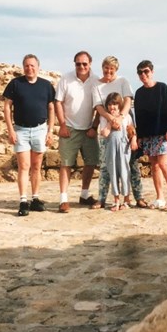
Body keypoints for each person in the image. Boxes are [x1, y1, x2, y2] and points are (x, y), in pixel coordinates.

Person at [3, 54, 55, 216]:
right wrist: (10, 130)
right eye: (26, 65)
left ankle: (36, 198)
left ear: (38, 67)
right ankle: (23, 201)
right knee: (24, 167)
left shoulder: (46, 86)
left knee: (36, 167)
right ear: (23, 67)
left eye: (32, 65)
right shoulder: (15, 84)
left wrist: (50, 131)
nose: (29, 68)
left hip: (40, 129)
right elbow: (6, 107)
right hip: (21, 131)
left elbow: (51, 108)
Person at [91, 56, 146, 209]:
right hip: (107, 130)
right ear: (102, 67)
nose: (108, 71)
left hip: (124, 129)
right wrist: (111, 119)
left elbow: (128, 101)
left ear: (116, 70)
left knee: (131, 166)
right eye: (106, 68)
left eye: (112, 69)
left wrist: (120, 118)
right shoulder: (96, 85)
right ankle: (102, 198)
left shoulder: (123, 82)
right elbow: (99, 107)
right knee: (104, 166)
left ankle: (138, 197)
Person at [54, 50, 100, 213]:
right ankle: (63, 200)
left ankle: (84, 195)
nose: (81, 66)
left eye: (84, 63)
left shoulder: (96, 81)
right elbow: (58, 102)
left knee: (91, 162)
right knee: (66, 164)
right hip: (70, 129)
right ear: (74, 64)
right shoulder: (66, 79)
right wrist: (63, 125)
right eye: (78, 63)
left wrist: (94, 127)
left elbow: (99, 107)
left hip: (88, 129)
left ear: (90, 64)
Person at [133, 60, 167, 211]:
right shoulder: (139, 93)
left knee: (164, 165)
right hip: (148, 136)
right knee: (154, 166)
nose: (143, 75)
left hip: (164, 133)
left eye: (146, 71)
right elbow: (138, 116)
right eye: (140, 72)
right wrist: (139, 136)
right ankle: (160, 197)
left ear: (152, 72)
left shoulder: (162, 88)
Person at [99, 92, 138, 211]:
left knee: (125, 172)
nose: (112, 107)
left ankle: (126, 199)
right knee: (113, 173)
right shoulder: (104, 118)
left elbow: (132, 131)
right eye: (110, 105)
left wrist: (133, 141)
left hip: (124, 149)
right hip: (111, 150)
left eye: (115, 104)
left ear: (119, 105)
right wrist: (111, 122)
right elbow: (104, 133)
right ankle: (116, 200)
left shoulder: (126, 117)